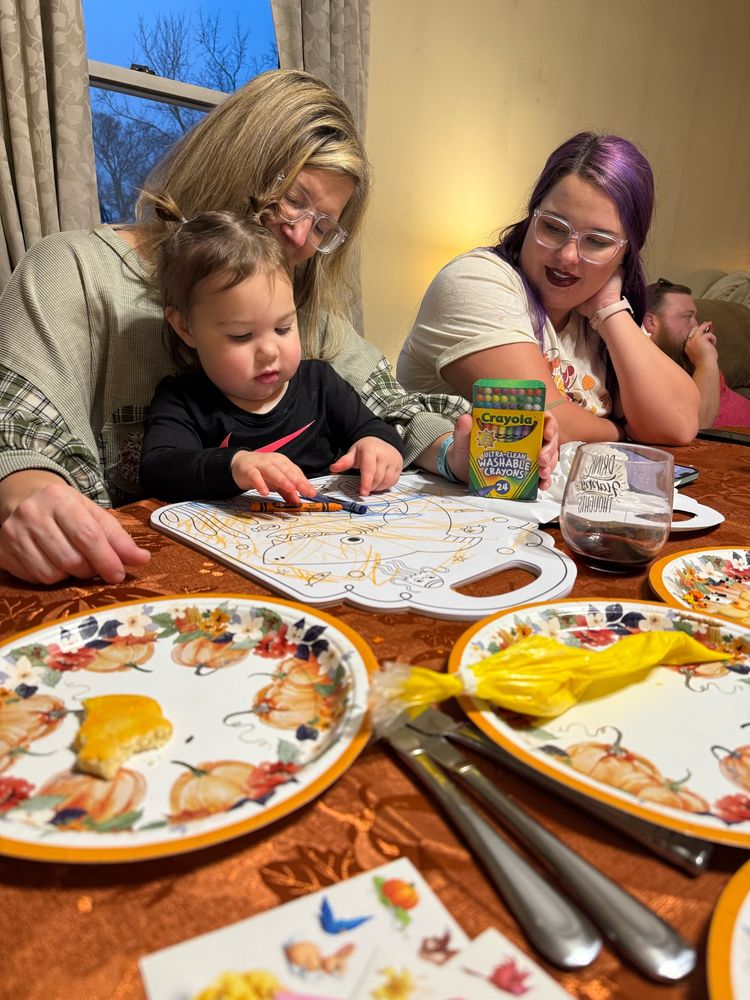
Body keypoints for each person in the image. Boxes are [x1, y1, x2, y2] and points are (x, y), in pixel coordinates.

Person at [0, 69, 558, 586]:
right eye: (294, 200)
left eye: (324, 226)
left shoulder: (303, 305)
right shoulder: (72, 270)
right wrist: (24, 490)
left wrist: (455, 452)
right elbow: (18, 428)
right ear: (235, 162)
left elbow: (391, 410)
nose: (299, 240)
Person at [397, 132, 700, 447]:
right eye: (553, 227)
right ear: (532, 217)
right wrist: (622, 431)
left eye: (597, 241)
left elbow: (676, 425)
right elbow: (543, 423)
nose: (567, 256)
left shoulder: (597, 312)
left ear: (626, 253)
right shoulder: (474, 281)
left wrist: (611, 311)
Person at [140, 204, 403, 501]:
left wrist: (378, 446)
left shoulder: (320, 383)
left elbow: (374, 428)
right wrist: (235, 464)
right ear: (185, 327)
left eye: (283, 329)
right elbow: (157, 471)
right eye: (241, 336)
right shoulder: (184, 400)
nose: (268, 352)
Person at [643, 278, 750, 429]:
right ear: (651, 322)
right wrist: (706, 360)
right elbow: (695, 427)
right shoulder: (646, 369)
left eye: (695, 317)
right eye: (687, 317)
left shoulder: (686, 354)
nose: (696, 325)